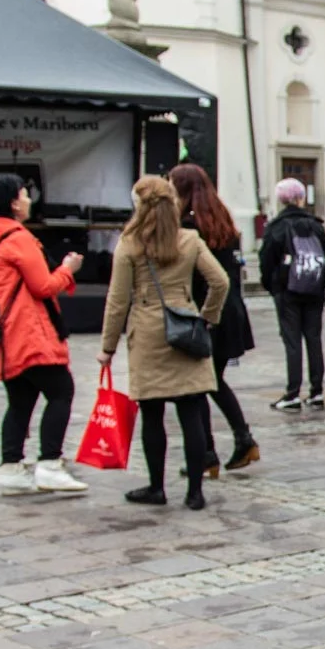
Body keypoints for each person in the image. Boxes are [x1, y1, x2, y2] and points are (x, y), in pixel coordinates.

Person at [98, 176, 228, 510]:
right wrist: (207, 318)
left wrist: (108, 346)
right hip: (184, 328)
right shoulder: (189, 239)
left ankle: (157, 486)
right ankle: (195, 492)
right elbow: (220, 281)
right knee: (191, 413)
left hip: (148, 332)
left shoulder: (129, 244)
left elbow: (117, 300)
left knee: (152, 414)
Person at [0, 173, 88, 494]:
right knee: (61, 392)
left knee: (20, 401)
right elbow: (43, 286)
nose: (29, 200)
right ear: (13, 203)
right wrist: (68, 269)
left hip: (4, 337)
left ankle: (11, 468)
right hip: (29, 333)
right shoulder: (17, 238)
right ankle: (50, 463)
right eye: (24, 194)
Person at [170, 164, 259, 474]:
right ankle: (233, 442)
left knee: (202, 383)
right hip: (230, 309)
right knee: (210, 381)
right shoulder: (219, 219)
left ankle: (214, 450)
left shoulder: (188, 226)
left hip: (208, 311)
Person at [258, 179, 325, 410]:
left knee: (292, 341)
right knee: (314, 338)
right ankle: (317, 391)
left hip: (287, 289)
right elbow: (324, 255)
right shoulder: (316, 225)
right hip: (314, 288)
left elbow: (265, 260)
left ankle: (292, 392)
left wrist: (273, 286)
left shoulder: (276, 227)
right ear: (300, 198)